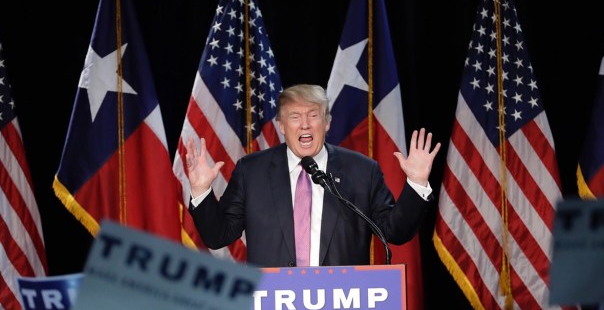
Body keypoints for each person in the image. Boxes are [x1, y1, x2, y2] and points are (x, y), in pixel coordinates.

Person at [185, 83, 441, 267]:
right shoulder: (251, 171)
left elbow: (394, 232)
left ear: (327, 123)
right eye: (295, 116)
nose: (305, 124)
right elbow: (219, 236)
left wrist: (417, 183)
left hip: (342, 307)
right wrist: (201, 192)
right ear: (282, 126)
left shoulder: (362, 170)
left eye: (313, 115)